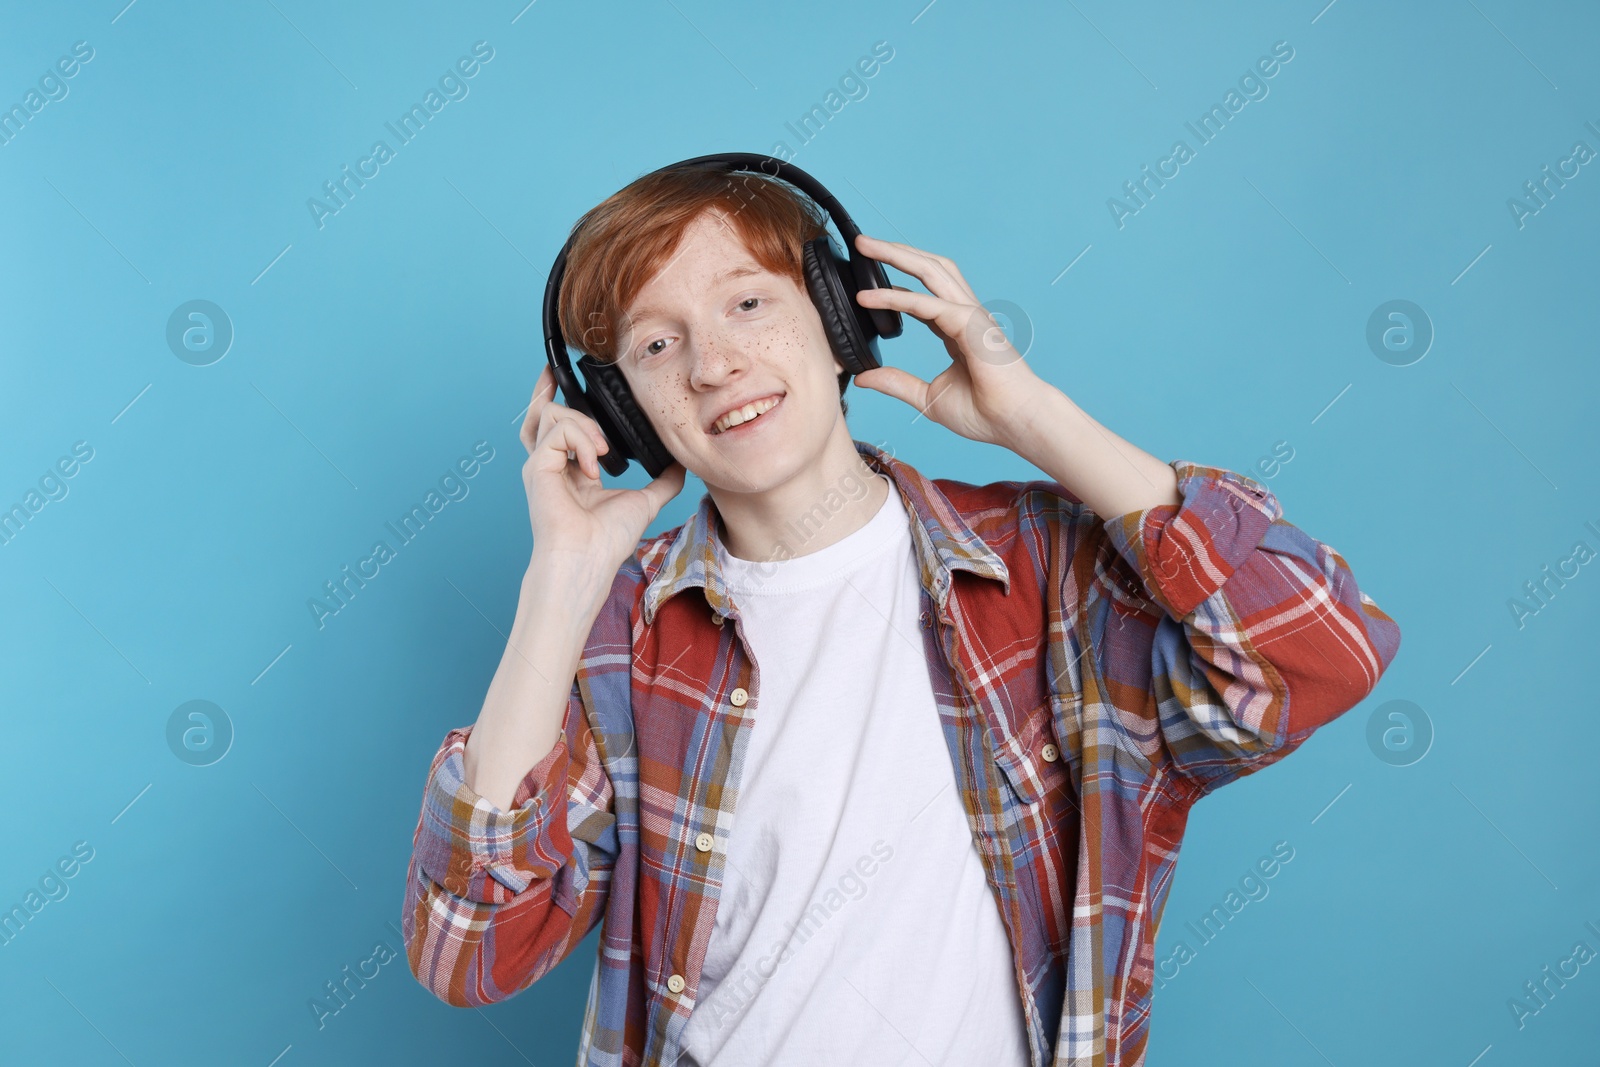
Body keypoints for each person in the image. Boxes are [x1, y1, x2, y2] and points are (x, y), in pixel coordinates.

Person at [400, 162, 1402, 1067]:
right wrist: (560, 582)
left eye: (747, 302)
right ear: (621, 410)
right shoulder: (617, 631)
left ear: (840, 314)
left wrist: (1036, 420)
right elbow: (469, 951)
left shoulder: (1043, 571)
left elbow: (1318, 655)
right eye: (658, 344)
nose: (712, 364)